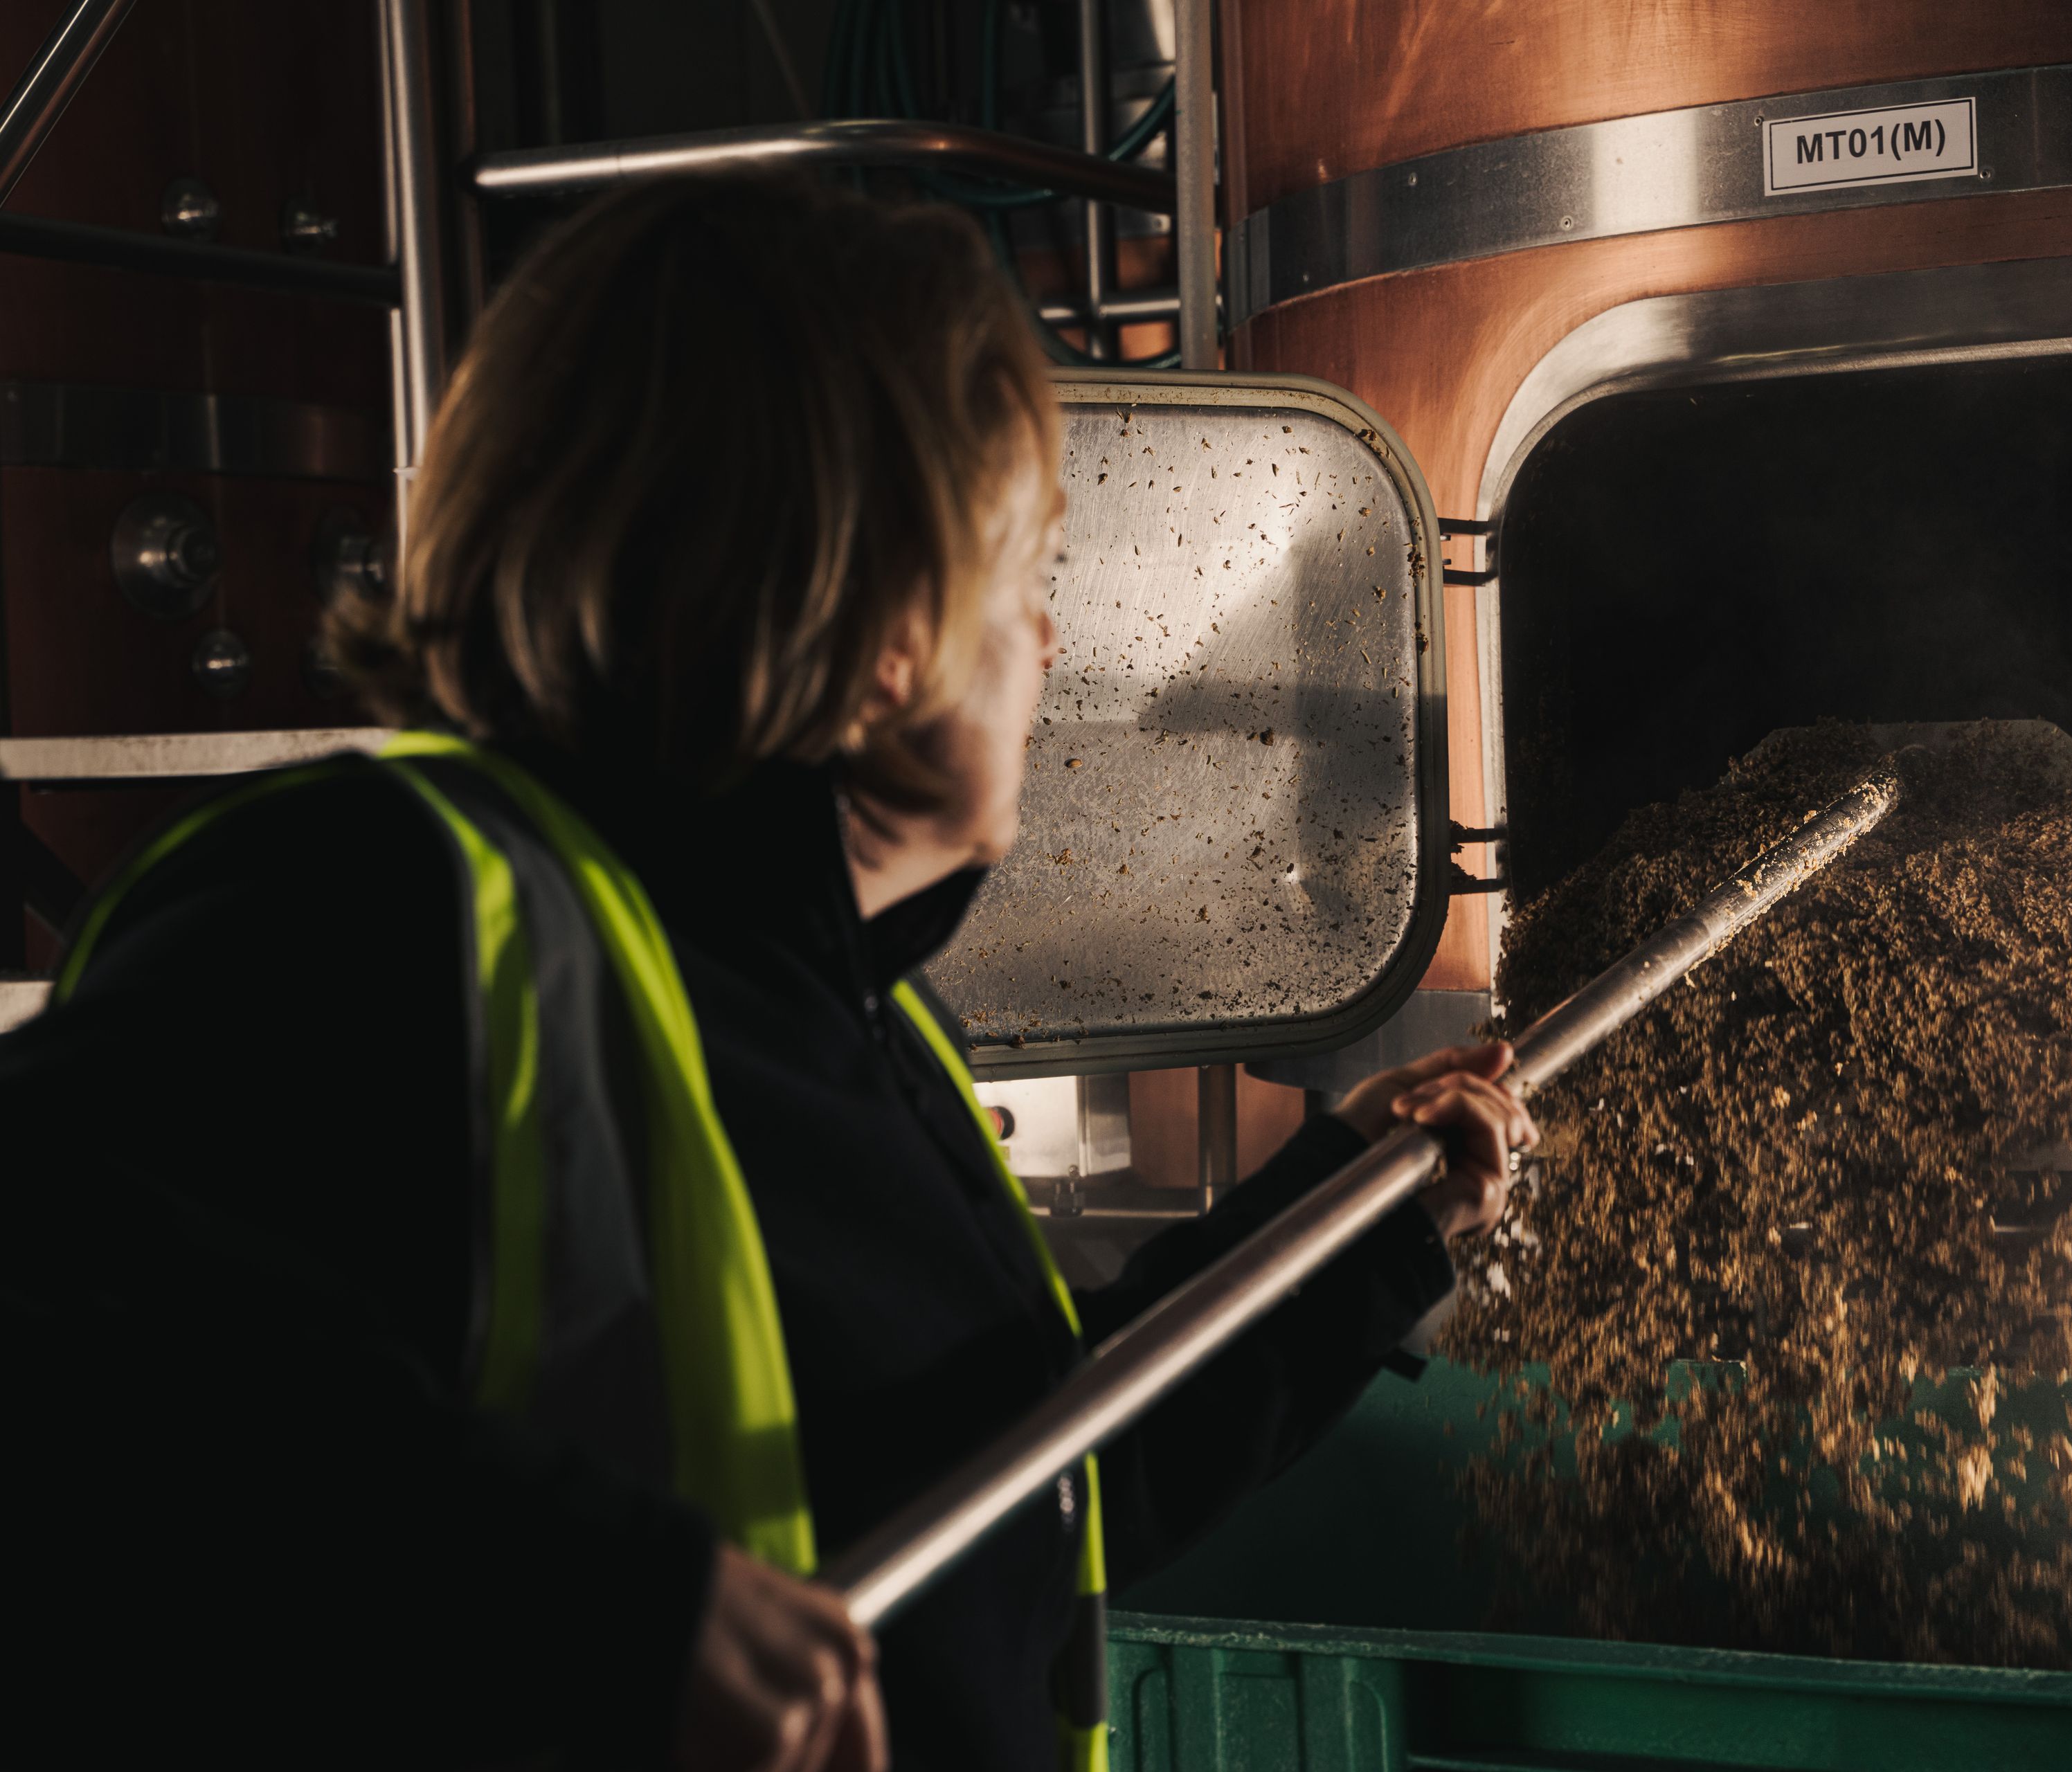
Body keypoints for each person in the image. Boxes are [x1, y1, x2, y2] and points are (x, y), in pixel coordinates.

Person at [0, 171, 1533, 1771]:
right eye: (1026, 573)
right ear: (881, 606)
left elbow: (1027, 1489)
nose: (1053, 644)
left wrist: (1359, 1219)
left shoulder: (849, 1008)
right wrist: (606, 1610)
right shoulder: (375, 910)